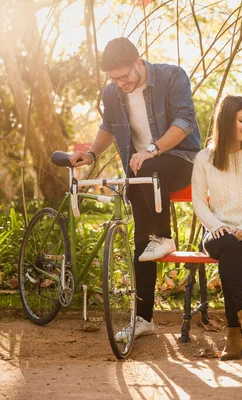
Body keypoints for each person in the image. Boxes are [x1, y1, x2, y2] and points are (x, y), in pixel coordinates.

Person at [69, 37, 201, 339]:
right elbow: (108, 126)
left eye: (124, 76)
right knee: (142, 244)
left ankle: (165, 236)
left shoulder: (171, 76)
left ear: (138, 63)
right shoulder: (113, 92)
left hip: (181, 161)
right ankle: (143, 319)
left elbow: (185, 121)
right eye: (114, 79)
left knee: (150, 168)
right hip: (142, 170)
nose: (121, 83)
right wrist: (91, 154)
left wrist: (153, 149)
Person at [192, 95, 242, 361]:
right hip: (217, 234)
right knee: (228, 246)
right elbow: (198, 202)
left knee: (231, 256)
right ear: (226, 120)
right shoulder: (205, 158)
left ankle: (234, 337)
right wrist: (218, 226)